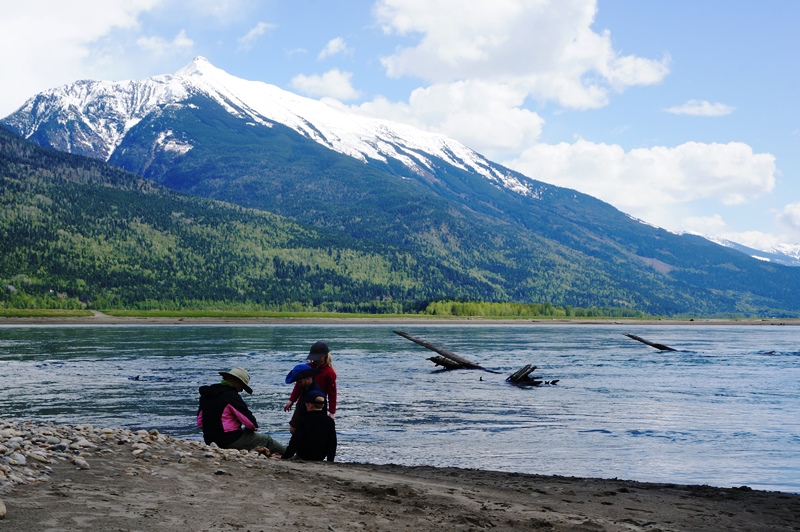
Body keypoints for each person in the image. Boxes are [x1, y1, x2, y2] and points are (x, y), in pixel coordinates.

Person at [197, 367, 285, 455]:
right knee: (266, 439)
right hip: (228, 440)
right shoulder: (231, 396)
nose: (241, 390)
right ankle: (289, 454)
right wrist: (250, 429)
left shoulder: (206, 395)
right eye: (242, 386)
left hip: (209, 440)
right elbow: (251, 424)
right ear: (237, 382)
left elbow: (200, 423)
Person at [284, 341, 338, 419]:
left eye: (317, 357)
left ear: (325, 355)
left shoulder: (329, 372)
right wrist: (292, 400)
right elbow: (298, 385)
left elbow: (332, 393)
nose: (314, 360)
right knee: (295, 428)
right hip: (303, 402)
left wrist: (332, 412)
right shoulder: (307, 367)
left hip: (319, 405)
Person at [282, 389, 337, 462]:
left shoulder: (304, 420)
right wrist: (330, 460)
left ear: (310, 405)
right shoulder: (329, 421)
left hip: (304, 456)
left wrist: (285, 457)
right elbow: (332, 443)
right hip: (320, 456)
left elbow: (295, 442)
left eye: (306, 404)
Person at [283, 363, 322, 432]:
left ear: (308, 378)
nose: (298, 384)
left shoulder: (313, 395)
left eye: (300, 381)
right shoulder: (306, 390)